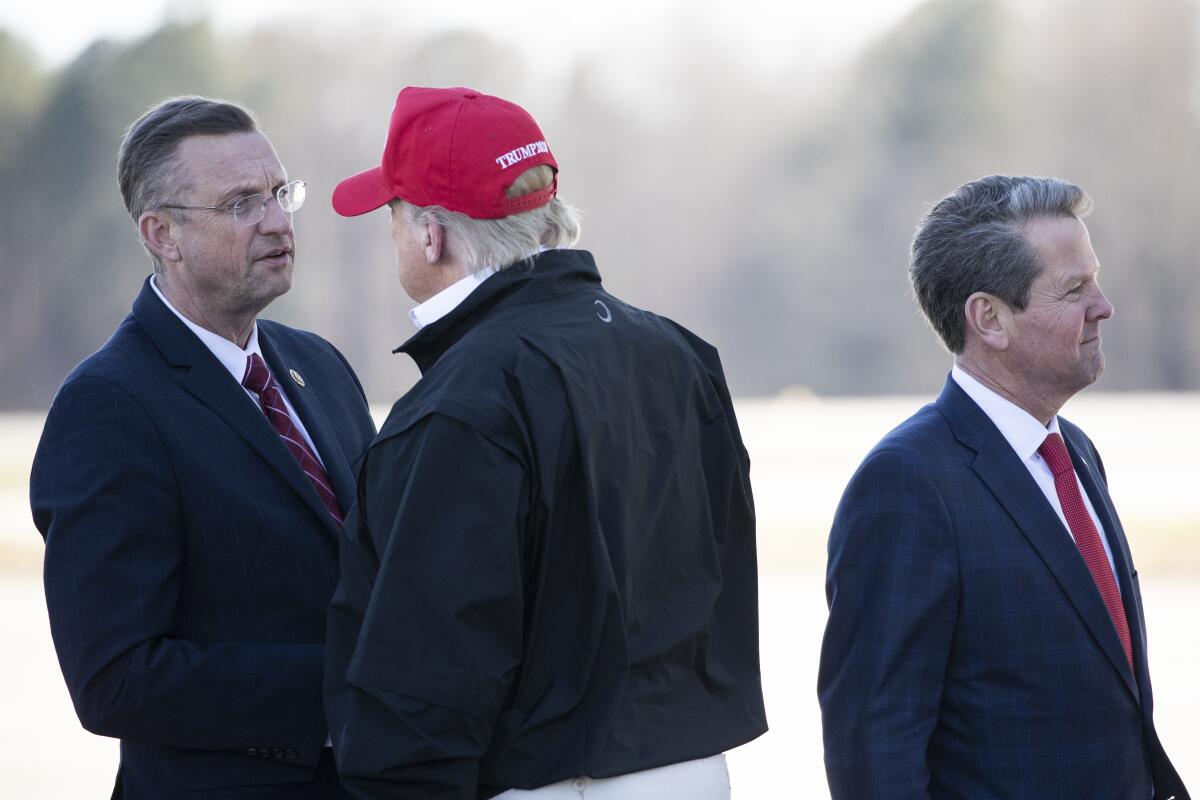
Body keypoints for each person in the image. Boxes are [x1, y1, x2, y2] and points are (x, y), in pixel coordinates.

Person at [323, 86, 767, 799]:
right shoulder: (680, 354)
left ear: (430, 234)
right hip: (691, 771)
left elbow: (429, 670)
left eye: (394, 215)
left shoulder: (461, 404)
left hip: (547, 782)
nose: (396, 236)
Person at [29, 96, 377, 799]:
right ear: (162, 234)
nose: (278, 220)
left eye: (281, 193)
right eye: (242, 203)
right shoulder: (108, 406)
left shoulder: (323, 367)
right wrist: (355, 688)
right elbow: (117, 678)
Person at [817, 175, 1190, 799]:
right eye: (1074, 289)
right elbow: (875, 747)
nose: (1105, 305)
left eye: (1094, 279)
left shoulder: (1074, 451)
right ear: (989, 318)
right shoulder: (907, 484)